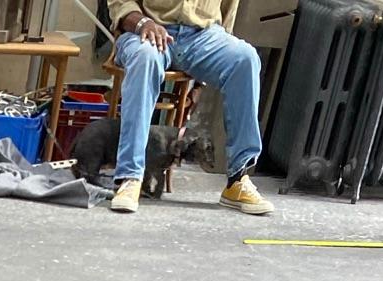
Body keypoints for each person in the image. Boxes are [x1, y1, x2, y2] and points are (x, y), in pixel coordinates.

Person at [107, 1, 274, 215]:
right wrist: (141, 22)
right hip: (149, 29)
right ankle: (129, 177)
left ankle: (237, 178)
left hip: (203, 35)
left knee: (245, 58)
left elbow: (227, 12)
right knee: (144, 58)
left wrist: (202, 80)